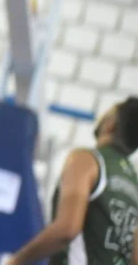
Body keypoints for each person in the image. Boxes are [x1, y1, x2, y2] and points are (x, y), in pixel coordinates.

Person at [9, 97, 138, 265]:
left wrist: (16, 260)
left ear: (110, 124)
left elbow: (67, 230)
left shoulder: (86, 160)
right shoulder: (134, 182)